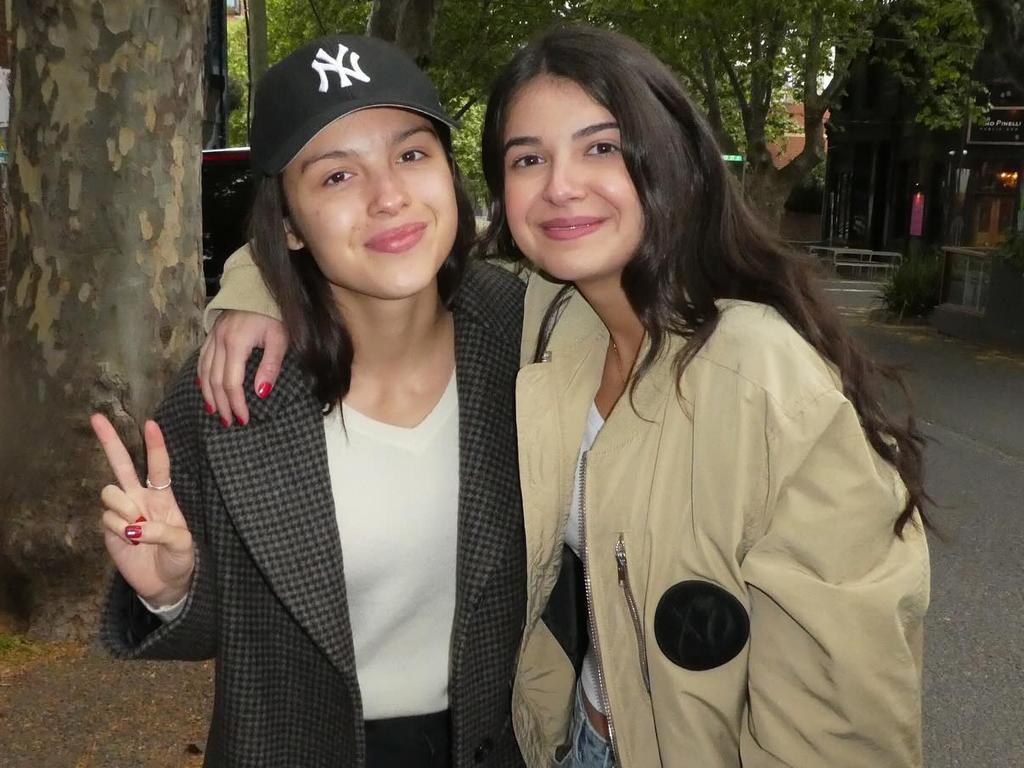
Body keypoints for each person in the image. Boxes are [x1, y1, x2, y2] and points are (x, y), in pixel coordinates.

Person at [200, 25, 930, 768]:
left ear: (669, 155)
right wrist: (256, 290)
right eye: (528, 159)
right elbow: (367, 249)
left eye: (601, 147)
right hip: (570, 738)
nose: (561, 185)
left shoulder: (763, 377)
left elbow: (845, 714)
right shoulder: (548, 322)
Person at [92, 34, 527, 768]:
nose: (388, 196)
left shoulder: (527, 338)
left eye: (412, 154)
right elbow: (213, 635)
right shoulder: (228, 395)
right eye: (335, 177)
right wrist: (174, 589)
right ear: (289, 224)